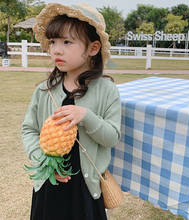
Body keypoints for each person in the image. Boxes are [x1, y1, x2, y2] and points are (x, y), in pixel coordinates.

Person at [21, 3, 121, 220]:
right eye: (53, 42)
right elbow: (29, 130)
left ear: (93, 48)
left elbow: (112, 137)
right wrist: (43, 162)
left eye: (67, 42)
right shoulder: (43, 90)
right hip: (49, 184)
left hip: (85, 189)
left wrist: (86, 116)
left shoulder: (107, 90)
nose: (56, 49)